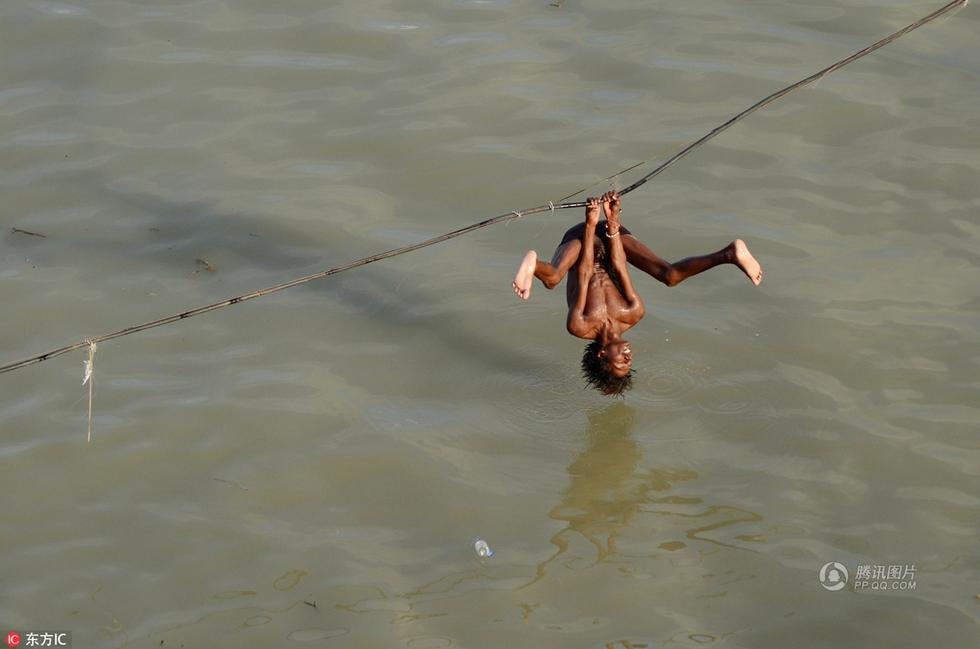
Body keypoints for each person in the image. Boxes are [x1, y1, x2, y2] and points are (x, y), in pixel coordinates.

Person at [512, 191, 763, 396]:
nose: (628, 356)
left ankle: (533, 263)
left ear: (602, 355)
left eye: (621, 361)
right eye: (628, 362)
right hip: (613, 241)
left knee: (554, 277)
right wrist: (612, 221)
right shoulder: (633, 314)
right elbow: (620, 267)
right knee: (670, 276)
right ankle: (729, 254)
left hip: (579, 242)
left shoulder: (579, 326)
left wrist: (590, 224)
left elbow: (585, 272)